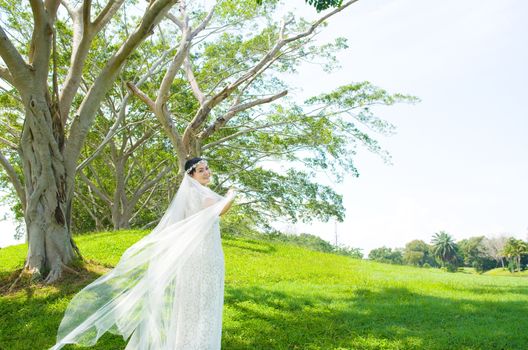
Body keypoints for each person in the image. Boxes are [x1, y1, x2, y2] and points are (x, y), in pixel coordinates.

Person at [50, 158, 236, 350]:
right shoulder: (198, 193)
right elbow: (218, 210)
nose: (207, 172)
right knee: (202, 302)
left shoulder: (193, 193)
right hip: (203, 257)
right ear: (191, 175)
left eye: (207, 168)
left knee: (192, 303)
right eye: (201, 170)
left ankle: (187, 343)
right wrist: (230, 196)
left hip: (199, 255)